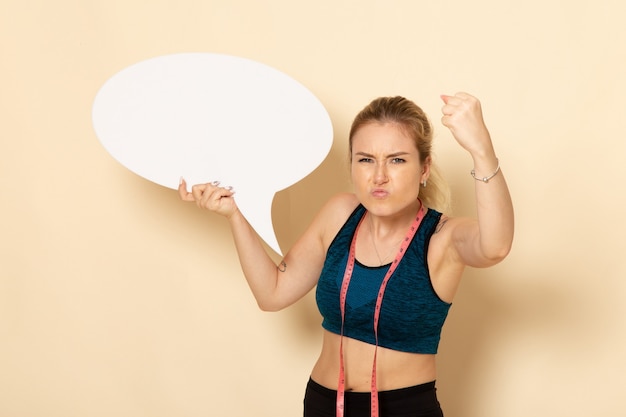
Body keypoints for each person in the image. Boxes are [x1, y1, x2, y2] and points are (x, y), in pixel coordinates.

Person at [178, 92, 514, 417]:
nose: (379, 176)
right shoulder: (340, 213)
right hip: (324, 404)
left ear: (424, 169)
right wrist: (235, 214)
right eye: (366, 159)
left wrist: (481, 148)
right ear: (352, 164)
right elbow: (273, 292)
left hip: (404, 409)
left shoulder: (441, 237)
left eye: (397, 160)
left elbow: (495, 246)